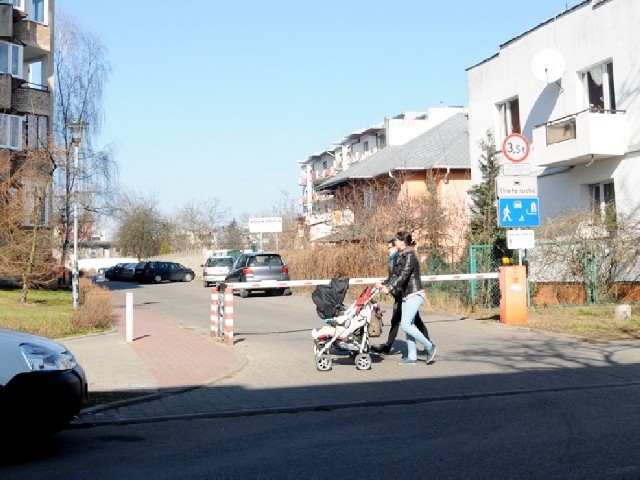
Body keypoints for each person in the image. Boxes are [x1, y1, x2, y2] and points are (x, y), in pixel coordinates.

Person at [377, 231, 436, 365]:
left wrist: (389, 288)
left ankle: (429, 346)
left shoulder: (410, 256)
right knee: (408, 324)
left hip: (414, 294)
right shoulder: (400, 255)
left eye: (397, 240)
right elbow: (395, 276)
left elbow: (403, 276)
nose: (395, 242)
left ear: (402, 241)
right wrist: (384, 284)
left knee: (405, 324)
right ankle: (412, 357)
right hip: (406, 295)